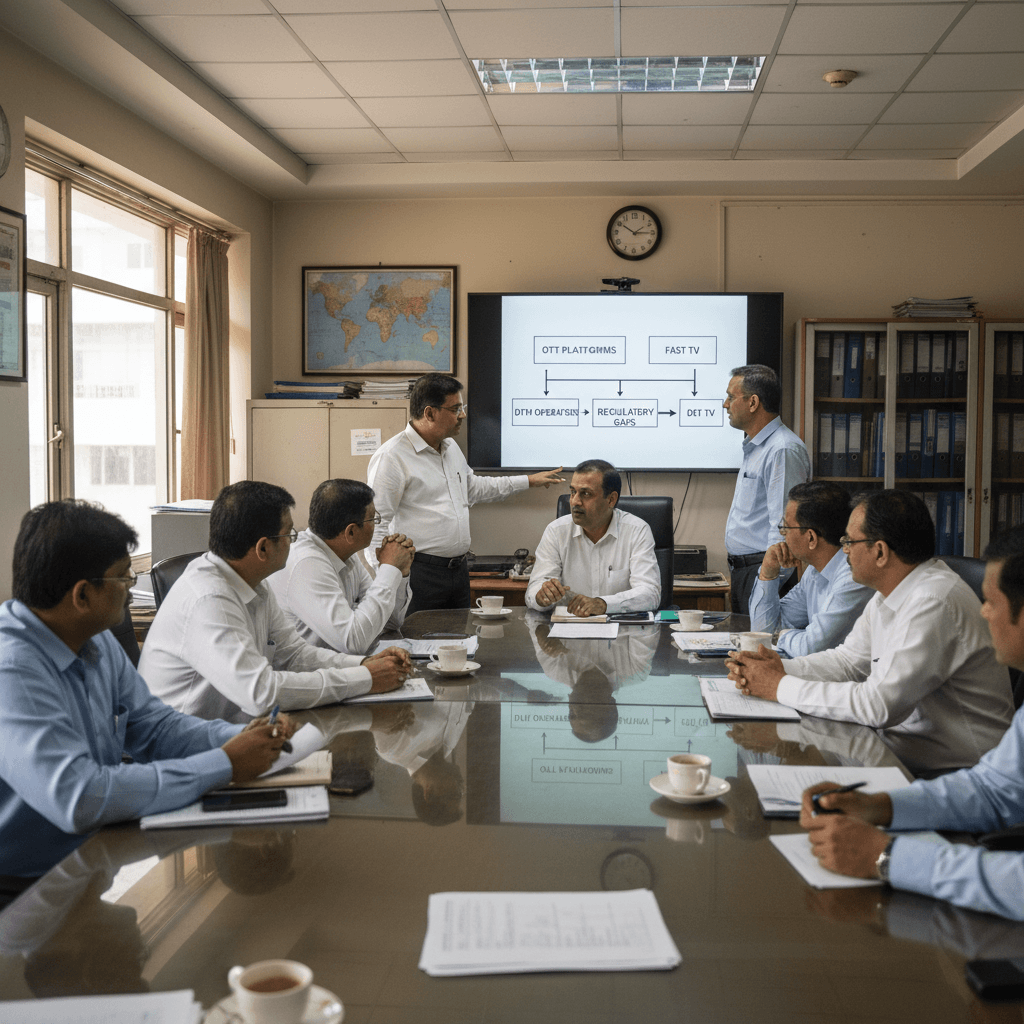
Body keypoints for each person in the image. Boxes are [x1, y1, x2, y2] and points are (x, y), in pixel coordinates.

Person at [0, 500, 292, 890]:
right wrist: (224, 764)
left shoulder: (95, 640)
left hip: (94, 854)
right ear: (82, 595)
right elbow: (79, 797)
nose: (130, 589)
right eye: (124, 579)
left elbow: (155, 727)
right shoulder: (13, 669)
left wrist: (239, 738)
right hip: (25, 886)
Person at [797, 525, 1024, 921]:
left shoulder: (936, 598)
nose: (983, 611)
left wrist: (886, 856)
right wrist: (879, 807)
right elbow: (994, 790)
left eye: (990, 601)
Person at [727, 490, 1014, 775]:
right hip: (898, 756)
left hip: (961, 775)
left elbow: (879, 705)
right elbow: (847, 662)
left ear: (880, 551)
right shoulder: (890, 592)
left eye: (849, 541)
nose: (844, 550)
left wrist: (779, 686)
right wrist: (780, 668)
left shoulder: (932, 600)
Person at [140, 481, 411, 723]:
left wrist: (363, 665)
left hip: (234, 729)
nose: (295, 542)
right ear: (263, 548)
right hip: (184, 746)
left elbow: (295, 655)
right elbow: (261, 693)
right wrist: (365, 679)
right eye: (289, 535)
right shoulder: (208, 599)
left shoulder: (255, 583)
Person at [367, 373, 564, 613]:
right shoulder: (392, 457)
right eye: (455, 409)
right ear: (429, 413)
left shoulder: (450, 448)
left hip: (458, 572)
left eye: (463, 407)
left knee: (459, 642)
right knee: (416, 643)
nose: (463, 415)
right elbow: (375, 524)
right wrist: (387, 582)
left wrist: (528, 481)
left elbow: (473, 489)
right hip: (419, 573)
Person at [269, 478, 414, 655]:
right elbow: (353, 642)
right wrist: (389, 568)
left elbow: (389, 622)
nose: (376, 524)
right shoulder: (306, 563)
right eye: (373, 519)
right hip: (303, 675)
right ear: (351, 531)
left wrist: (399, 572)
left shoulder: (345, 554)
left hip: (333, 667)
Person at [723, 365, 811, 615]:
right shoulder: (758, 447)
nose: (725, 405)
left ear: (753, 402)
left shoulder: (782, 450)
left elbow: (785, 529)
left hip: (763, 572)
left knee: (760, 649)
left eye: (731, 397)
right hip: (746, 572)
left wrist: (767, 583)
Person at [748, 481, 872, 655]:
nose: (782, 535)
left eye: (785, 528)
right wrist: (767, 574)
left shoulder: (852, 576)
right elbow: (763, 632)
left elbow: (811, 647)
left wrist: (781, 636)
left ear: (811, 538)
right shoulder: (814, 572)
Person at [525, 460, 660, 616]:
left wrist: (603, 604)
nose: (575, 501)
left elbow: (650, 594)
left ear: (611, 500)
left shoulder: (637, 531)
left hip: (621, 634)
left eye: (586, 494)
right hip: (568, 633)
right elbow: (533, 591)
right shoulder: (556, 531)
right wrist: (541, 596)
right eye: (573, 492)